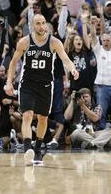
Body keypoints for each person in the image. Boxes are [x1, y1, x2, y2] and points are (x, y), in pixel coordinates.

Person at [5, 14, 79, 166]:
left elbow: (65, 58)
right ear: (33, 25)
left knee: (43, 118)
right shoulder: (24, 42)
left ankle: (38, 149)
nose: (41, 26)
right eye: (38, 23)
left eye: (43, 23)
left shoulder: (54, 42)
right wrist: (9, 82)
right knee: (27, 115)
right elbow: (13, 63)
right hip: (27, 84)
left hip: (46, 85)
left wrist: (73, 69)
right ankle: (27, 150)